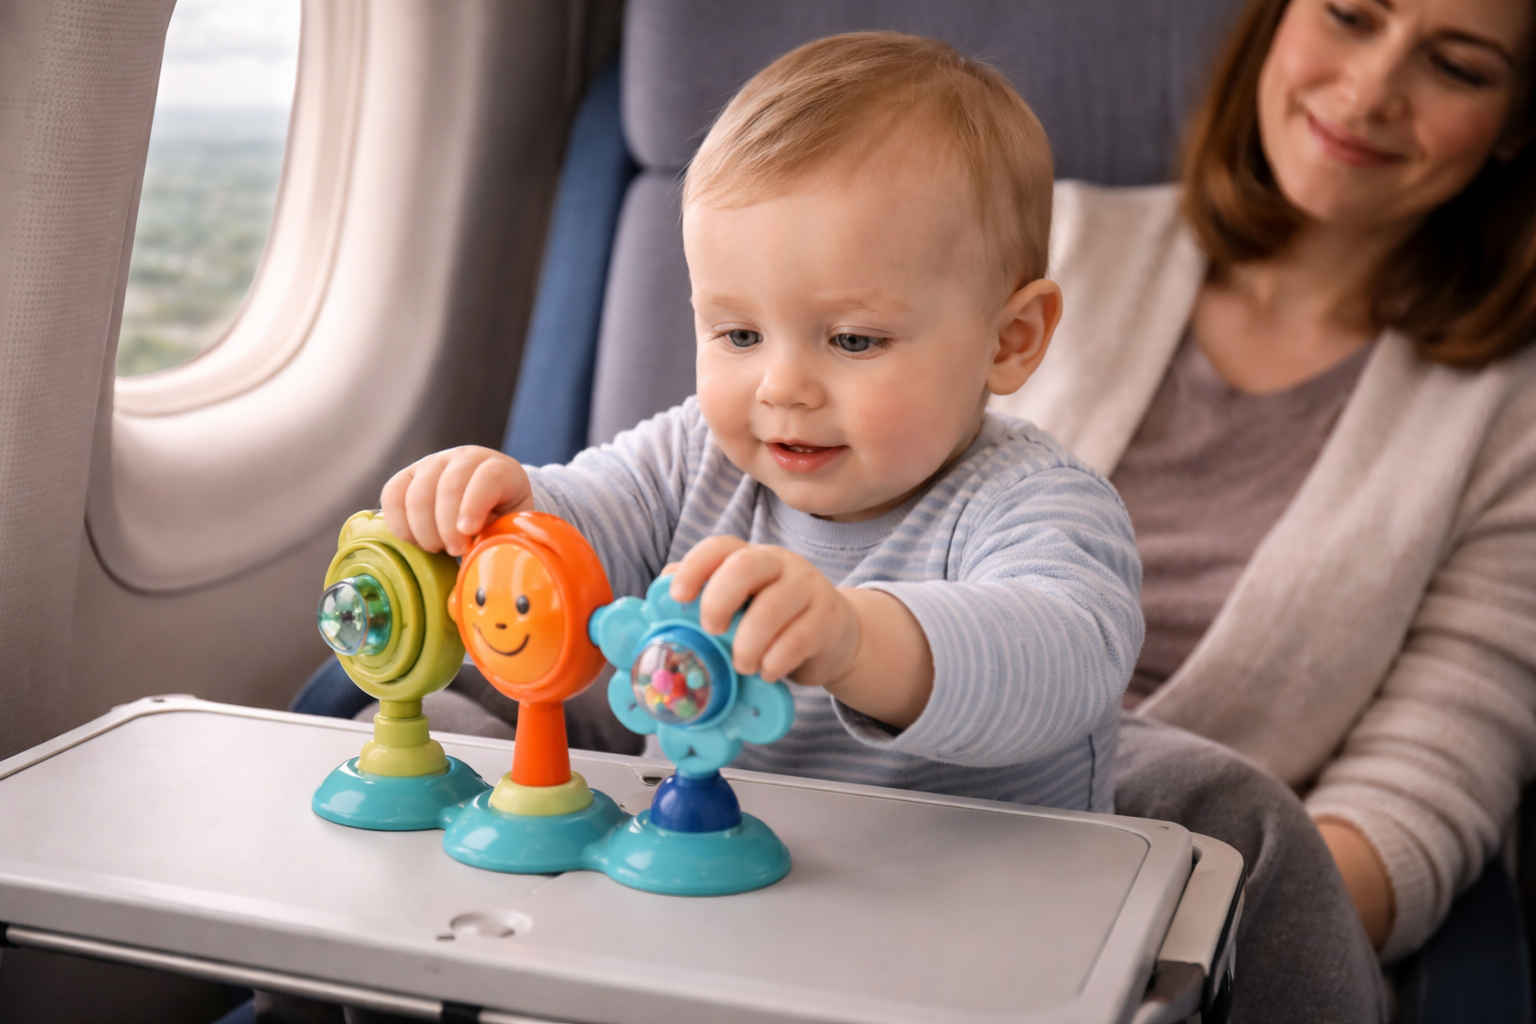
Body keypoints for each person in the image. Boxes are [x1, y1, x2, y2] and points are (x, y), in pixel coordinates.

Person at [379, 33, 1142, 812]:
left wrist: (854, 638)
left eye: (853, 340)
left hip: (986, 905)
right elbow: (581, 527)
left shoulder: (1040, 500)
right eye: (740, 335)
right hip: (708, 871)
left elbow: (1064, 660)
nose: (782, 388)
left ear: (1009, 340)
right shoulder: (693, 457)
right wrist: (502, 507)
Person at [992, 0, 1536, 1014]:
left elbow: (1418, 793)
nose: (1371, 90)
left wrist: (1166, 947)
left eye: (1457, 66)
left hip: (1193, 921)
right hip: (900, 812)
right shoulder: (1044, 241)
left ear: (1517, 124)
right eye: (1349, 15)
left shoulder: (1512, 420)